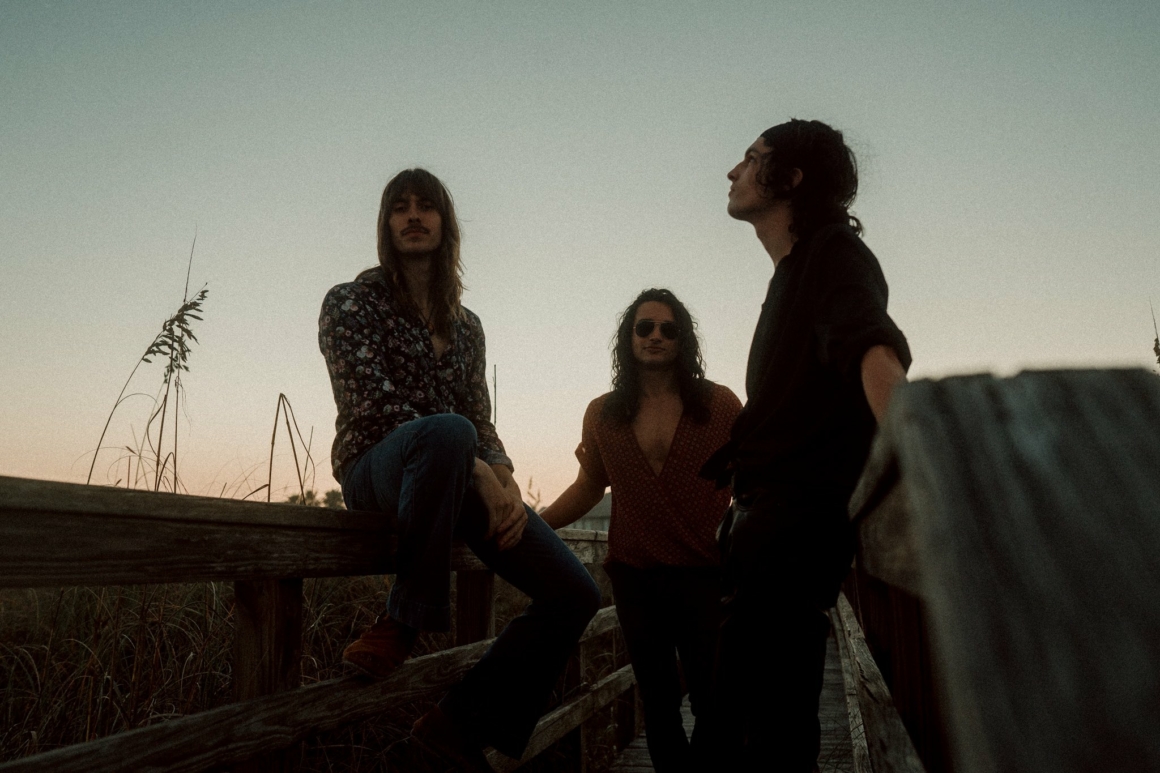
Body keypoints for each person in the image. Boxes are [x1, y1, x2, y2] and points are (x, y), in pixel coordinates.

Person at [318, 168, 601, 771]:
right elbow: (374, 406)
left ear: (446, 224)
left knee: (575, 592)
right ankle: (404, 618)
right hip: (378, 471)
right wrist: (475, 466)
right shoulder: (350, 302)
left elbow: (480, 417)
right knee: (448, 433)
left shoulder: (466, 326)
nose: (412, 216)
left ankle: (457, 725)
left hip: (457, 479)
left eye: (426, 206)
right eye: (400, 207)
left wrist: (504, 478)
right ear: (385, 223)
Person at [702, 120, 911, 771]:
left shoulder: (833, 253)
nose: (732, 171)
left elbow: (871, 346)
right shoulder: (794, 271)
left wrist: (920, 463)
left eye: (751, 158)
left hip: (792, 533)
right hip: (764, 531)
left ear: (790, 178)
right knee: (749, 725)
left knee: (762, 735)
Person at [541, 288, 742, 773]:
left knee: (715, 700)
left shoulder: (719, 405)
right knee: (658, 700)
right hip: (635, 576)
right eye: (644, 327)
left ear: (683, 339)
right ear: (628, 337)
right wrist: (533, 524)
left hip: (706, 573)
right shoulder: (603, 413)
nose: (656, 336)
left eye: (668, 329)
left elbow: (749, 479)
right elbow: (589, 486)